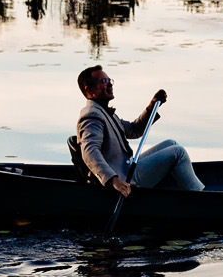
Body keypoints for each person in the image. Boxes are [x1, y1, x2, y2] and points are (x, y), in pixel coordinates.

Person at [75, 64, 204, 194]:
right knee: (178, 152)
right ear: (89, 90)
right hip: (124, 178)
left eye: (110, 80)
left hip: (126, 167)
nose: (110, 85)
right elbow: (89, 152)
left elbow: (134, 130)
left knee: (172, 143)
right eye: (103, 81)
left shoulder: (104, 112)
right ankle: (199, 196)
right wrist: (113, 180)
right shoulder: (92, 116)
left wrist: (152, 106)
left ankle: (180, 189)